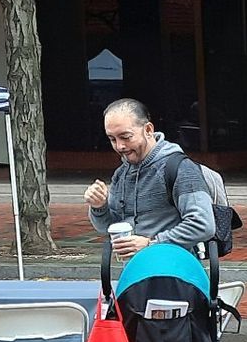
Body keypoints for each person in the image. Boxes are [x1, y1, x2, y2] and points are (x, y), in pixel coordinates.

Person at [84, 98, 214, 262]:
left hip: (176, 273)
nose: (119, 146)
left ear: (148, 130)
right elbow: (109, 227)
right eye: (112, 139)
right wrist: (99, 207)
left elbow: (203, 224)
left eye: (126, 137)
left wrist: (151, 244)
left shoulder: (180, 169)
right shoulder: (121, 174)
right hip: (136, 273)